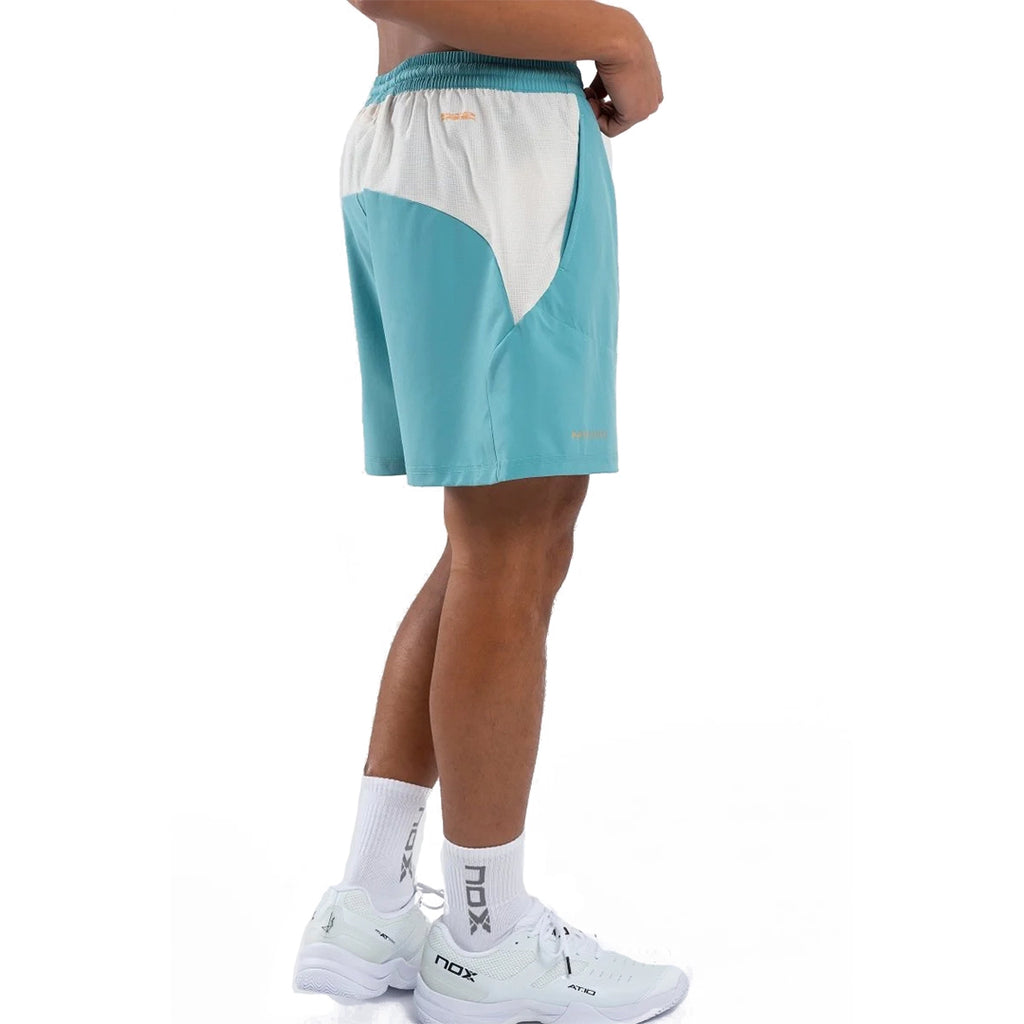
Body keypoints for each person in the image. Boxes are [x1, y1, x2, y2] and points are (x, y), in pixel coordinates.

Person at [293, 3, 688, 1021]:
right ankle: (487, 939)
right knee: (509, 542)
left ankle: (372, 899)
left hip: (468, 129)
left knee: (509, 534)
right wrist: (618, 35)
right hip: (486, 137)